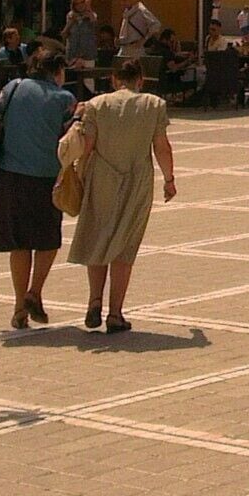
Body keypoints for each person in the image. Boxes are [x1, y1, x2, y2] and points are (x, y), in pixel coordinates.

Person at [68, 58, 177, 330]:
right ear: (140, 80)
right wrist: (169, 179)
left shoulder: (97, 105)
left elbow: (88, 145)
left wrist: (77, 175)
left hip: (102, 177)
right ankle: (115, 313)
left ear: (115, 80)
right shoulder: (154, 105)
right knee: (125, 247)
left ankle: (94, 301)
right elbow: (162, 147)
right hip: (137, 179)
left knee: (98, 239)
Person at [0, 49, 76, 328]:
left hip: (10, 175)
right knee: (48, 238)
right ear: (57, 71)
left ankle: (18, 305)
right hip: (48, 178)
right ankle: (34, 292)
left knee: (19, 242)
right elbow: (69, 139)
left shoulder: (13, 88)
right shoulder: (65, 99)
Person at [116, 0, 164, 68]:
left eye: (125, 0)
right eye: (121, 0)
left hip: (135, 49)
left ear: (132, 0)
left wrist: (144, 39)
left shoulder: (141, 10)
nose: (122, 3)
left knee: (135, 72)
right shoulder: (127, 12)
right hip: (124, 48)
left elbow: (156, 25)